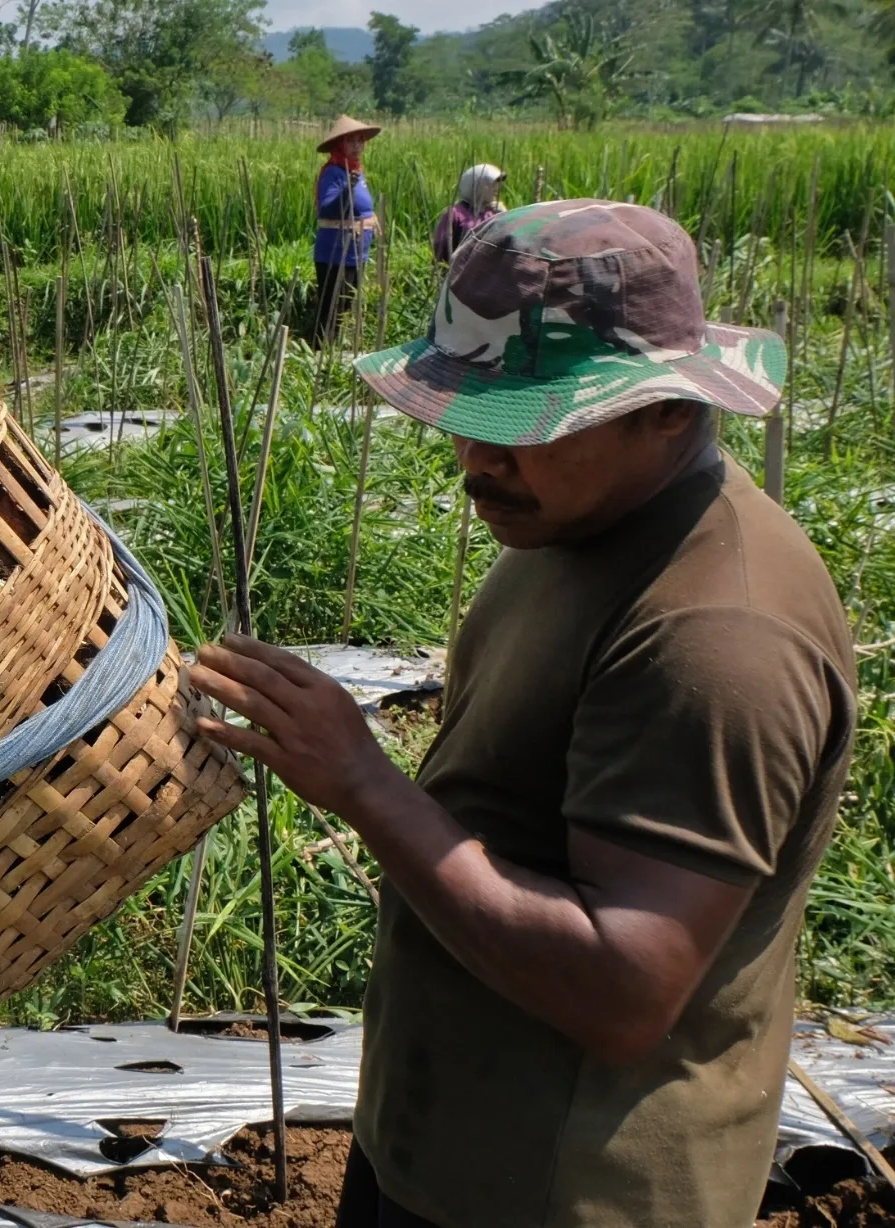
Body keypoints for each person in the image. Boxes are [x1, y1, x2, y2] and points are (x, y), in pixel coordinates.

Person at [191, 202, 854, 1228]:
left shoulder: (718, 639)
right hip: (454, 1148)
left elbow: (624, 990)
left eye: (524, 424)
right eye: (469, 418)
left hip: (563, 1189)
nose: (475, 460)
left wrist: (366, 784)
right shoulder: (579, 519)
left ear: (668, 412)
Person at [312, 113, 382, 345]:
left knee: (345, 307)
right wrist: (347, 190)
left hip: (355, 252)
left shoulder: (355, 172)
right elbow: (328, 208)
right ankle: (321, 352)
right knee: (332, 309)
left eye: (359, 140)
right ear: (339, 145)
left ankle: (335, 349)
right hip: (336, 252)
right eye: (350, 141)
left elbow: (361, 207)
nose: (356, 145)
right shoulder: (334, 172)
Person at [431, 163, 505, 265]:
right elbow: (441, 247)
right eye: (492, 185)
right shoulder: (455, 214)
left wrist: (506, 215)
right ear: (478, 186)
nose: (497, 189)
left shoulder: (493, 213)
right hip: (460, 271)